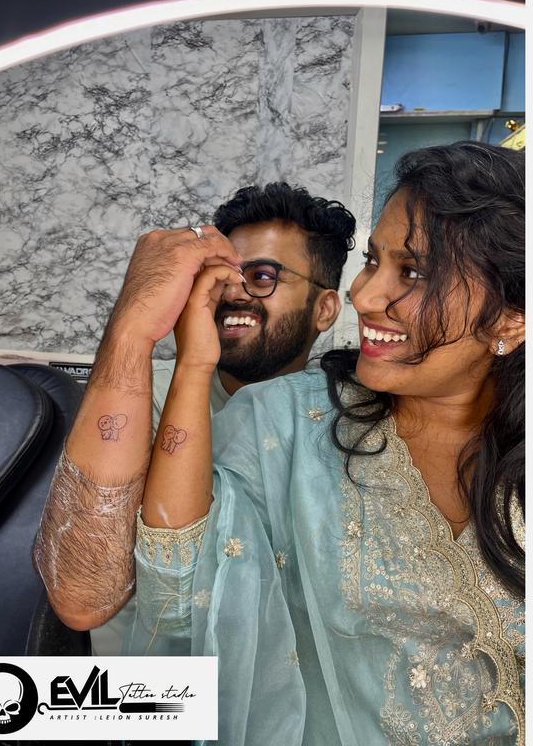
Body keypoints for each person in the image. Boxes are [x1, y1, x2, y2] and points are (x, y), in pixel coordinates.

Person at [127, 142, 525, 745]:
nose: (366, 296)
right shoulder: (288, 423)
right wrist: (191, 363)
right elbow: (178, 598)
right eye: (373, 261)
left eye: (413, 273)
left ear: (509, 320)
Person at [33, 182, 356, 656]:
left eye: (263, 276)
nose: (235, 293)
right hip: (151, 686)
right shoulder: (140, 393)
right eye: (222, 277)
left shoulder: (342, 417)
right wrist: (135, 329)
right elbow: (80, 596)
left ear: (324, 309)